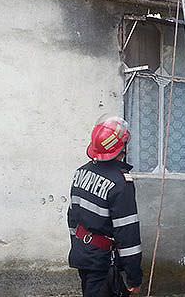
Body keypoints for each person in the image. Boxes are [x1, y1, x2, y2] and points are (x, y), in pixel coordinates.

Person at [68, 116, 142, 296]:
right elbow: (127, 234)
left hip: (83, 254)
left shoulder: (81, 172)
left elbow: (72, 217)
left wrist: (78, 246)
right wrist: (134, 278)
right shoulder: (120, 183)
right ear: (122, 147)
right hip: (102, 261)